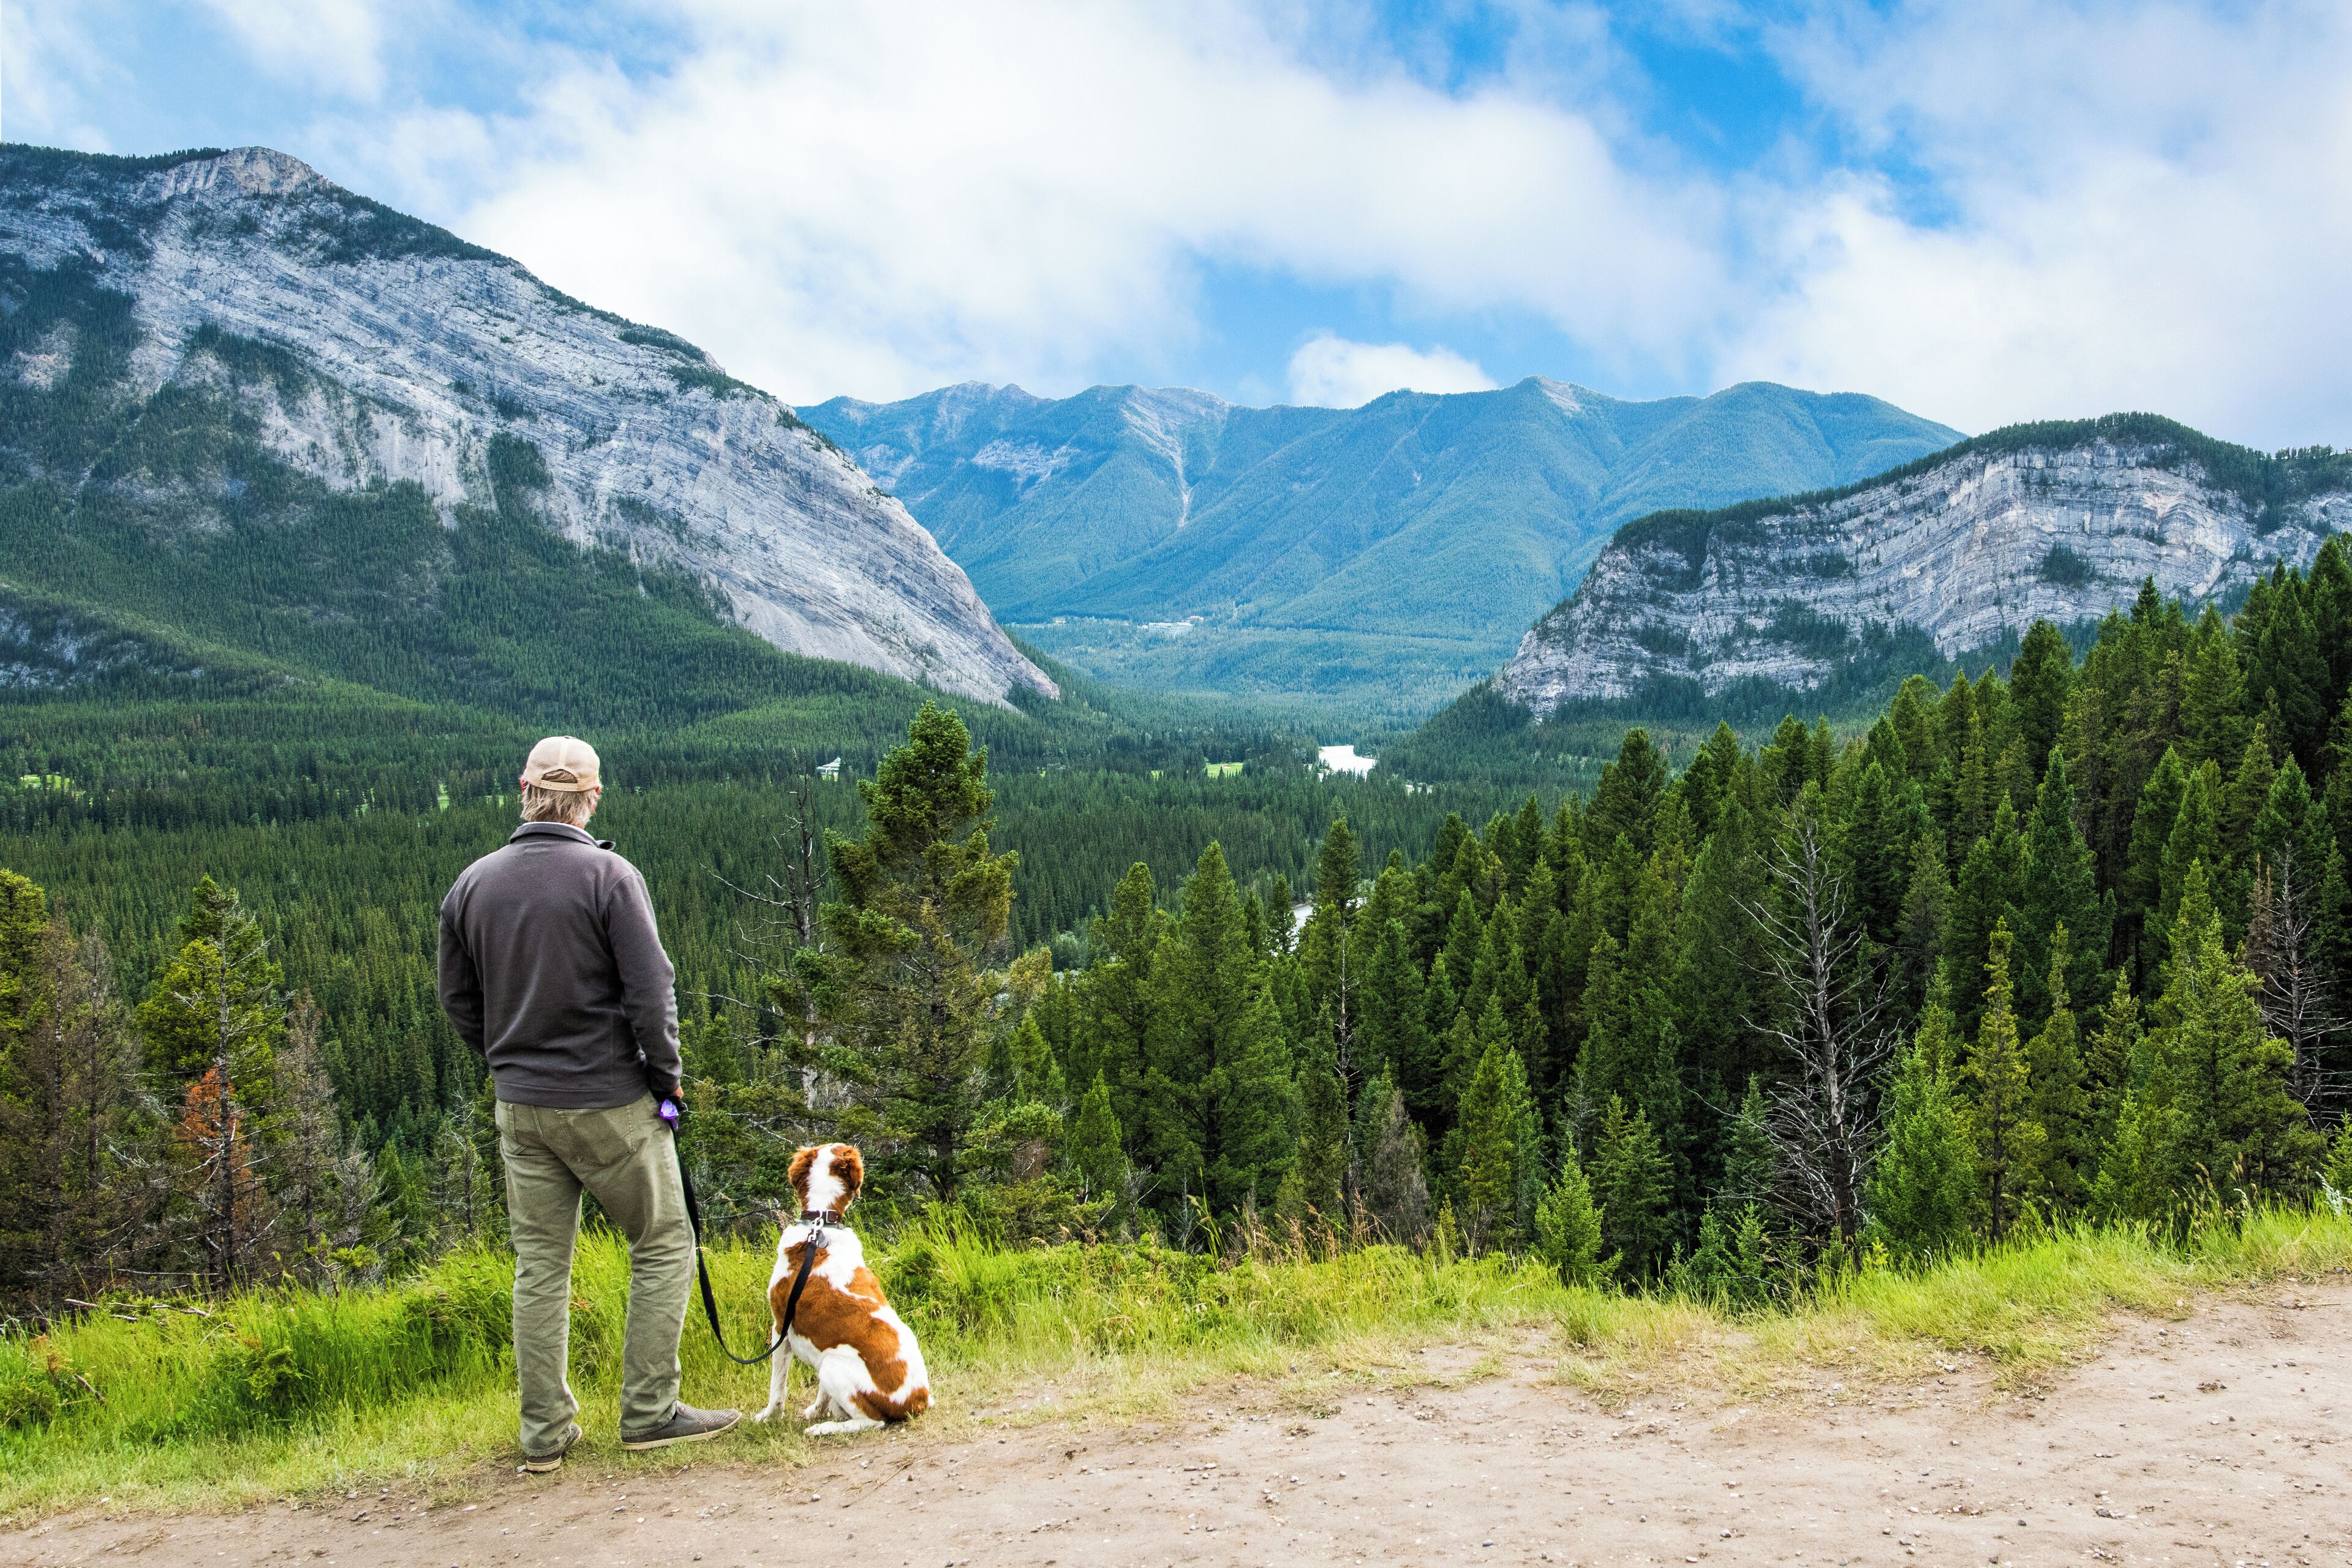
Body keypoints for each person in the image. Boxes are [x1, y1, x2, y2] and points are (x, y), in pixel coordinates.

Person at [438, 735, 739, 1472]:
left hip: (521, 1107)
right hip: (610, 1101)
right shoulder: (611, 876)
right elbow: (651, 991)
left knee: (540, 1265)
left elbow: (458, 1000)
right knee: (664, 1241)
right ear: (592, 798)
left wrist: (505, 1062)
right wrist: (666, 1078)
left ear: (524, 789)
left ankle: (544, 1436)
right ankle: (648, 1412)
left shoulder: (471, 885)